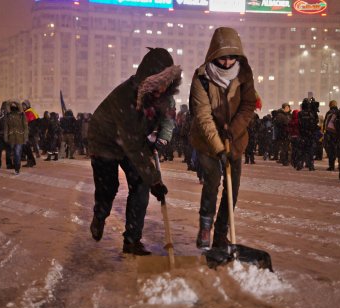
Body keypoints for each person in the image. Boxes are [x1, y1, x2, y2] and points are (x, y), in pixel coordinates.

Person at [87, 47, 181, 256]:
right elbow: (133, 145)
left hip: (133, 139)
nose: (160, 90)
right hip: (105, 140)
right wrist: (155, 179)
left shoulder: (166, 96)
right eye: (155, 84)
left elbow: (168, 120)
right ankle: (100, 215)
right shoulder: (126, 98)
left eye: (165, 83)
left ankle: (132, 240)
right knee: (108, 187)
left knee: (140, 186)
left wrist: (162, 139)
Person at [189, 27, 256, 249]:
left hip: (235, 140)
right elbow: (203, 116)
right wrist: (219, 147)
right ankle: (205, 226)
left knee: (232, 189)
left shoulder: (245, 74)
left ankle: (221, 234)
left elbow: (248, 105)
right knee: (212, 181)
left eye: (232, 57)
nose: (227, 62)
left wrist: (232, 131)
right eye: (223, 57)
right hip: (207, 142)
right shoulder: (202, 78)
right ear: (213, 54)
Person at [4, 100, 28, 175]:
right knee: (14, 153)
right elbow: (6, 127)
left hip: (19, 137)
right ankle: (16, 166)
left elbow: (25, 127)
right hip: (11, 137)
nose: (13, 107)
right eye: (12, 106)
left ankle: (17, 168)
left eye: (15, 106)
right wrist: (6, 137)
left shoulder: (21, 115)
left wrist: (25, 137)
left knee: (17, 153)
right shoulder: (8, 115)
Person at [323, 100, 339, 171]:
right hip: (337, 135)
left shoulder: (329, 113)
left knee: (331, 151)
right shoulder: (339, 112)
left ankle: (331, 166)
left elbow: (325, 124)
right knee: (338, 150)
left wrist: (325, 132)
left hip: (330, 134)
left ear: (330, 105)